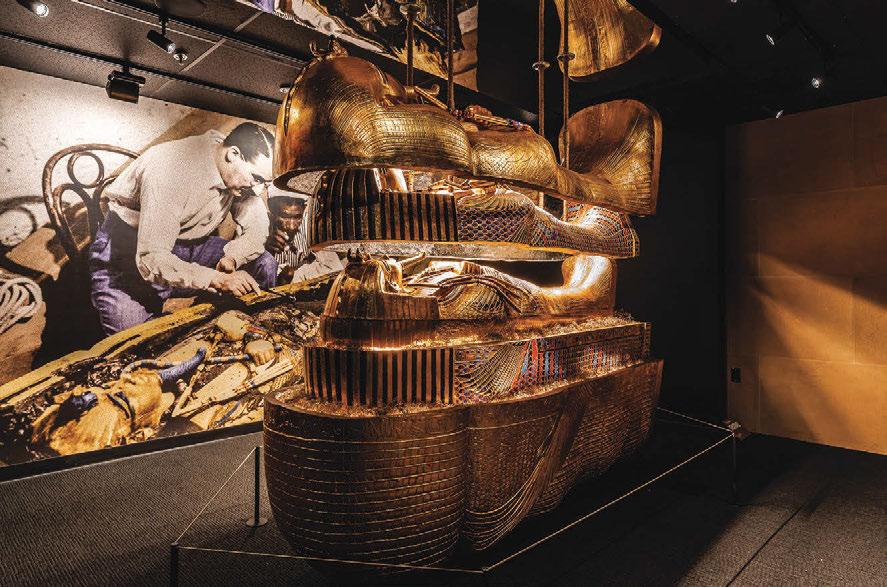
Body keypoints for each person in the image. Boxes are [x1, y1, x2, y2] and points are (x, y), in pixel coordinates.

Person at [89, 123, 278, 335]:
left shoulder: (231, 163)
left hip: (188, 247)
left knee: (264, 263)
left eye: (264, 183)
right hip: (127, 255)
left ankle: (250, 333)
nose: (258, 190)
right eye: (256, 178)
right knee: (135, 342)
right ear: (233, 155)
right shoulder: (171, 169)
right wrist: (217, 279)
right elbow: (151, 258)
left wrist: (234, 258)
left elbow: (257, 228)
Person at [266, 184, 344, 284]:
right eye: (285, 216)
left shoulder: (311, 225)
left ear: (304, 209)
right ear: (272, 211)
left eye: (297, 217)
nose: (292, 226)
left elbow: (333, 267)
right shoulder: (260, 226)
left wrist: (295, 275)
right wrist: (265, 251)